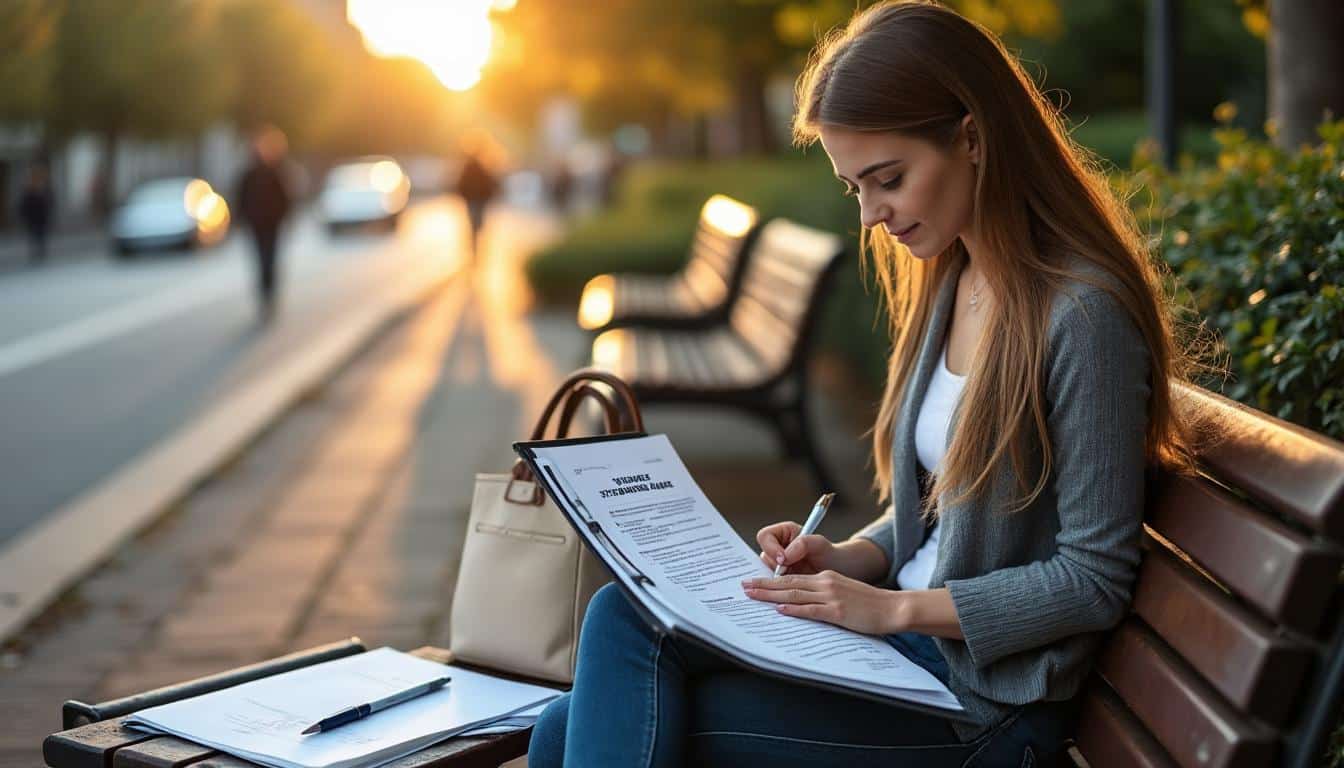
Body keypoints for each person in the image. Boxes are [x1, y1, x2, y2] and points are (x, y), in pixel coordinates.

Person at [527, 2, 1208, 766]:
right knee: (604, 648)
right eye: (855, 187)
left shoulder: (1082, 317)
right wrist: (847, 558)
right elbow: (945, 513)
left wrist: (889, 610)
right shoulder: (955, 278)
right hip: (904, 651)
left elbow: (1092, 580)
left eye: (888, 180)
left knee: (585, 707)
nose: (870, 216)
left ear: (973, 138)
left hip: (980, 704)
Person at [235, 127, 292, 322]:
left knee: (269, 260)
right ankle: (265, 294)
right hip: (257, 225)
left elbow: (285, 198)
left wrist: (284, 217)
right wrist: (242, 219)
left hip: (271, 224)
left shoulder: (275, 173)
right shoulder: (250, 174)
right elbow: (241, 198)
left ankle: (269, 293)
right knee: (262, 260)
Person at [454, 140, 500, 265]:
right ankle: (475, 250)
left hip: (476, 200)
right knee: (476, 226)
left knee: (474, 226)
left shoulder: (474, 166)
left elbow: (461, 184)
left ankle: (475, 250)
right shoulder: (480, 166)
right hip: (477, 200)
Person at [19, 163, 54, 266]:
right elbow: (24, 204)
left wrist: (48, 213)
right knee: (33, 235)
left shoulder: (44, 190)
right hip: (32, 218)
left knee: (41, 235)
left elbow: (49, 203)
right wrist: (24, 215)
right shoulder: (29, 190)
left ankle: (40, 252)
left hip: (41, 218)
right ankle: (35, 252)